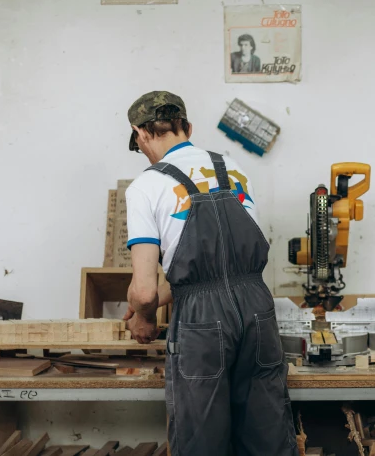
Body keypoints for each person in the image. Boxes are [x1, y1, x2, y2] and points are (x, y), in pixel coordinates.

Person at [123, 91, 297, 455]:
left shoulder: (147, 185)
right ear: (187, 126)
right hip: (256, 309)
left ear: (141, 135)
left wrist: (143, 317)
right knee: (266, 430)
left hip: (202, 323)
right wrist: (169, 293)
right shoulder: (233, 168)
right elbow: (221, 270)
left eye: (140, 145)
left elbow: (143, 292)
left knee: (201, 438)